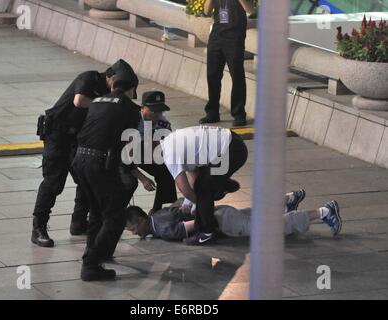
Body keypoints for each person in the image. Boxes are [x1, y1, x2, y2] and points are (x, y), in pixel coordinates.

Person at [31, 59, 137, 248]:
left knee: (85, 178)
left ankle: (78, 222)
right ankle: (38, 227)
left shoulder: (109, 95)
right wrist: (106, 103)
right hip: (57, 135)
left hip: (76, 138)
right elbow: (79, 101)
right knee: (53, 182)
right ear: (110, 77)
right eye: (117, 84)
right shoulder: (89, 78)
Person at [71, 64, 140, 281]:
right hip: (99, 164)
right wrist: (130, 172)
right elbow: (127, 144)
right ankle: (91, 263)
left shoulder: (98, 100)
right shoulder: (130, 108)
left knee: (96, 212)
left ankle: (94, 255)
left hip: (79, 160)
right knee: (115, 218)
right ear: (132, 89)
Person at [124, 190, 343, 242]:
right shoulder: (159, 212)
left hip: (222, 222)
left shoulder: (160, 228)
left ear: (141, 220)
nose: (135, 234)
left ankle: (323, 212)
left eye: (133, 229)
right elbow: (182, 202)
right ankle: (285, 201)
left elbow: (193, 225)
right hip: (222, 212)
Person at [160, 125, 248, 245]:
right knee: (202, 184)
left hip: (232, 151)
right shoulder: (169, 140)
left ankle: (206, 234)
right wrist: (188, 202)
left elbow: (185, 189)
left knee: (204, 189)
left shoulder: (170, 156)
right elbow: (193, 172)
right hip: (233, 141)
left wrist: (199, 204)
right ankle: (222, 184)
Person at [121, 91, 177, 215]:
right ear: (142, 108)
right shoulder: (131, 121)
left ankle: (158, 210)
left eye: (160, 111)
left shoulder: (162, 123)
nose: (157, 114)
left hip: (145, 153)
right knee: (129, 182)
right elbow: (125, 157)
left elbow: (167, 148)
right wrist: (143, 179)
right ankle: (116, 213)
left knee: (166, 171)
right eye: (153, 110)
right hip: (120, 156)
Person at [200, 0, 254, 127]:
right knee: (212, 75)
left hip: (234, 37)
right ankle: (212, 112)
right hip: (216, 35)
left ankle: (239, 114)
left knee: (237, 76)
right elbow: (206, 11)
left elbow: (250, 10)